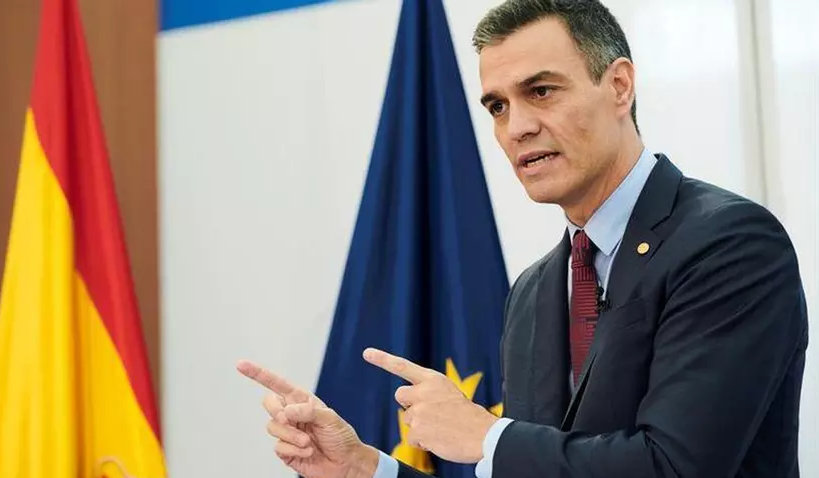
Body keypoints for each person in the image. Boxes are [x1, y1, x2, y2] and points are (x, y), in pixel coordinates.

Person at [236, 0, 809, 476]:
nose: (517, 127)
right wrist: (366, 468)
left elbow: (677, 466)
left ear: (619, 86)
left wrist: (487, 437)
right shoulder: (533, 292)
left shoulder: (729, 244)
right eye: (497, 106)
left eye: (541, 91)